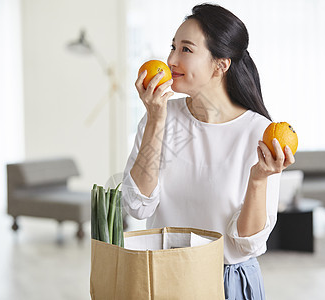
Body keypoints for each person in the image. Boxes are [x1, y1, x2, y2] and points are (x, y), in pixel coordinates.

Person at [122, 3, 295, 300]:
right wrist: (155, 119)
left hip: (226, 282)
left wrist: (258, 179)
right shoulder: (160, 115)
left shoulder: (260, 133)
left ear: (220, 64)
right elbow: (137, 206)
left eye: (186, 49)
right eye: (172, 46)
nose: (171, 59)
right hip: (163, 276)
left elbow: (246, 244)